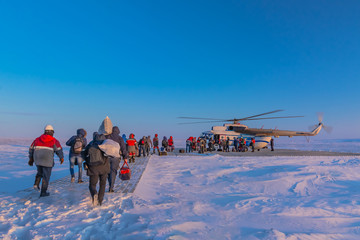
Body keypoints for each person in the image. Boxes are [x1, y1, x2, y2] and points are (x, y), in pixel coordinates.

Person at [28, 125, 64, 197]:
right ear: (52, 132)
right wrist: (61, 158)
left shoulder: (37, 139)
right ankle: (43, 192)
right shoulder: (54, 140)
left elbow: (31, 149)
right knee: (46, 176)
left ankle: (36, 184)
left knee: (40, 171)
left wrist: (31, 158)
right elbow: (59, 150)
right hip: (47, 160)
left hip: (37, 159)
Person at [83, 132, 109, 206]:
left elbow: (84, 155)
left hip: (93, 168)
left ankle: (94, 194)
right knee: (102, 184)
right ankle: (100, 201)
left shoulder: (90, 144)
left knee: (92, 184)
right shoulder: (105, 145)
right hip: (104, 168)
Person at [105, 126, 128, 193]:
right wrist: (125, 157)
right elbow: (123, 148)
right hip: (115, 157)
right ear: (118, 131)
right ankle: (111, 187)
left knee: (108, 171)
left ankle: (110, 183)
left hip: (107, 157)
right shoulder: (120, 138)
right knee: (113, 171)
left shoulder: (107, 136)